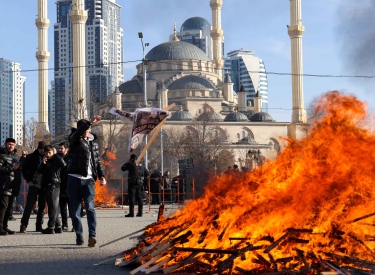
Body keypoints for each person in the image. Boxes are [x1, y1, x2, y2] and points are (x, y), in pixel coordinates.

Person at [67, 116, 105, 247]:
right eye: (85, 129)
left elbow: (97, 161)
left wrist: (102, 175)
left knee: (90, 208)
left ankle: (92, 235)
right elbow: (77, 134)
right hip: (74, 178)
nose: (87, 131)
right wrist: (90, 122)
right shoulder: (74, 140)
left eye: (88, 129)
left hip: (88, 180)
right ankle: (79, 235)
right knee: (75, 211)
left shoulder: (93, 143)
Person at [38, 145, 66, 234]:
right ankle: (58, 226)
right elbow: (39, 171)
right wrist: (43, 163)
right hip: (46, 185)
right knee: (53, 206)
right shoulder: (46, 161)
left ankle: (51, 227)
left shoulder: (56, 159)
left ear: (53, 152)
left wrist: (56, 156)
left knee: (53, 207)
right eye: (46, 153)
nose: (47, 155)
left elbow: (64, 165)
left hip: (54, 185)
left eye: (49, 153)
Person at [20, 141, 46, 233]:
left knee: (42, 207)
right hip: (33, 183)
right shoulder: (30, 157)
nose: (42, 151)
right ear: (38, 148)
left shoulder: (48, 157)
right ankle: (23, 226)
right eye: (40, 149)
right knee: (29, 206)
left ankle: (39, 226)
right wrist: (29, 181)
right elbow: (24, 170)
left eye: (43, 149)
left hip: (44, 184)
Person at [0, 138, 21, 235]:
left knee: (9, 208)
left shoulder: (15, 156)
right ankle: (0, 228)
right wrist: (11, 167)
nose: (10, 146)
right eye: (9, 144)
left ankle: (5, 227)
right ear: (5, 144)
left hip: (13, 185)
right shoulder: (1, 155)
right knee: (3, 207)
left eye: (12, 144)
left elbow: (17, 172)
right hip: (4, 185)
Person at [57, 142, 71, 232]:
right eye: (59, 148)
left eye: (61, 148)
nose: (59, 150)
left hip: (70, 186)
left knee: (72, 208)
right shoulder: (57, 158)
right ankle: (64, 225)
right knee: (62, 208)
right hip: (61, 186)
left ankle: (75, 225)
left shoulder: (71, 158)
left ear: (66, 149)